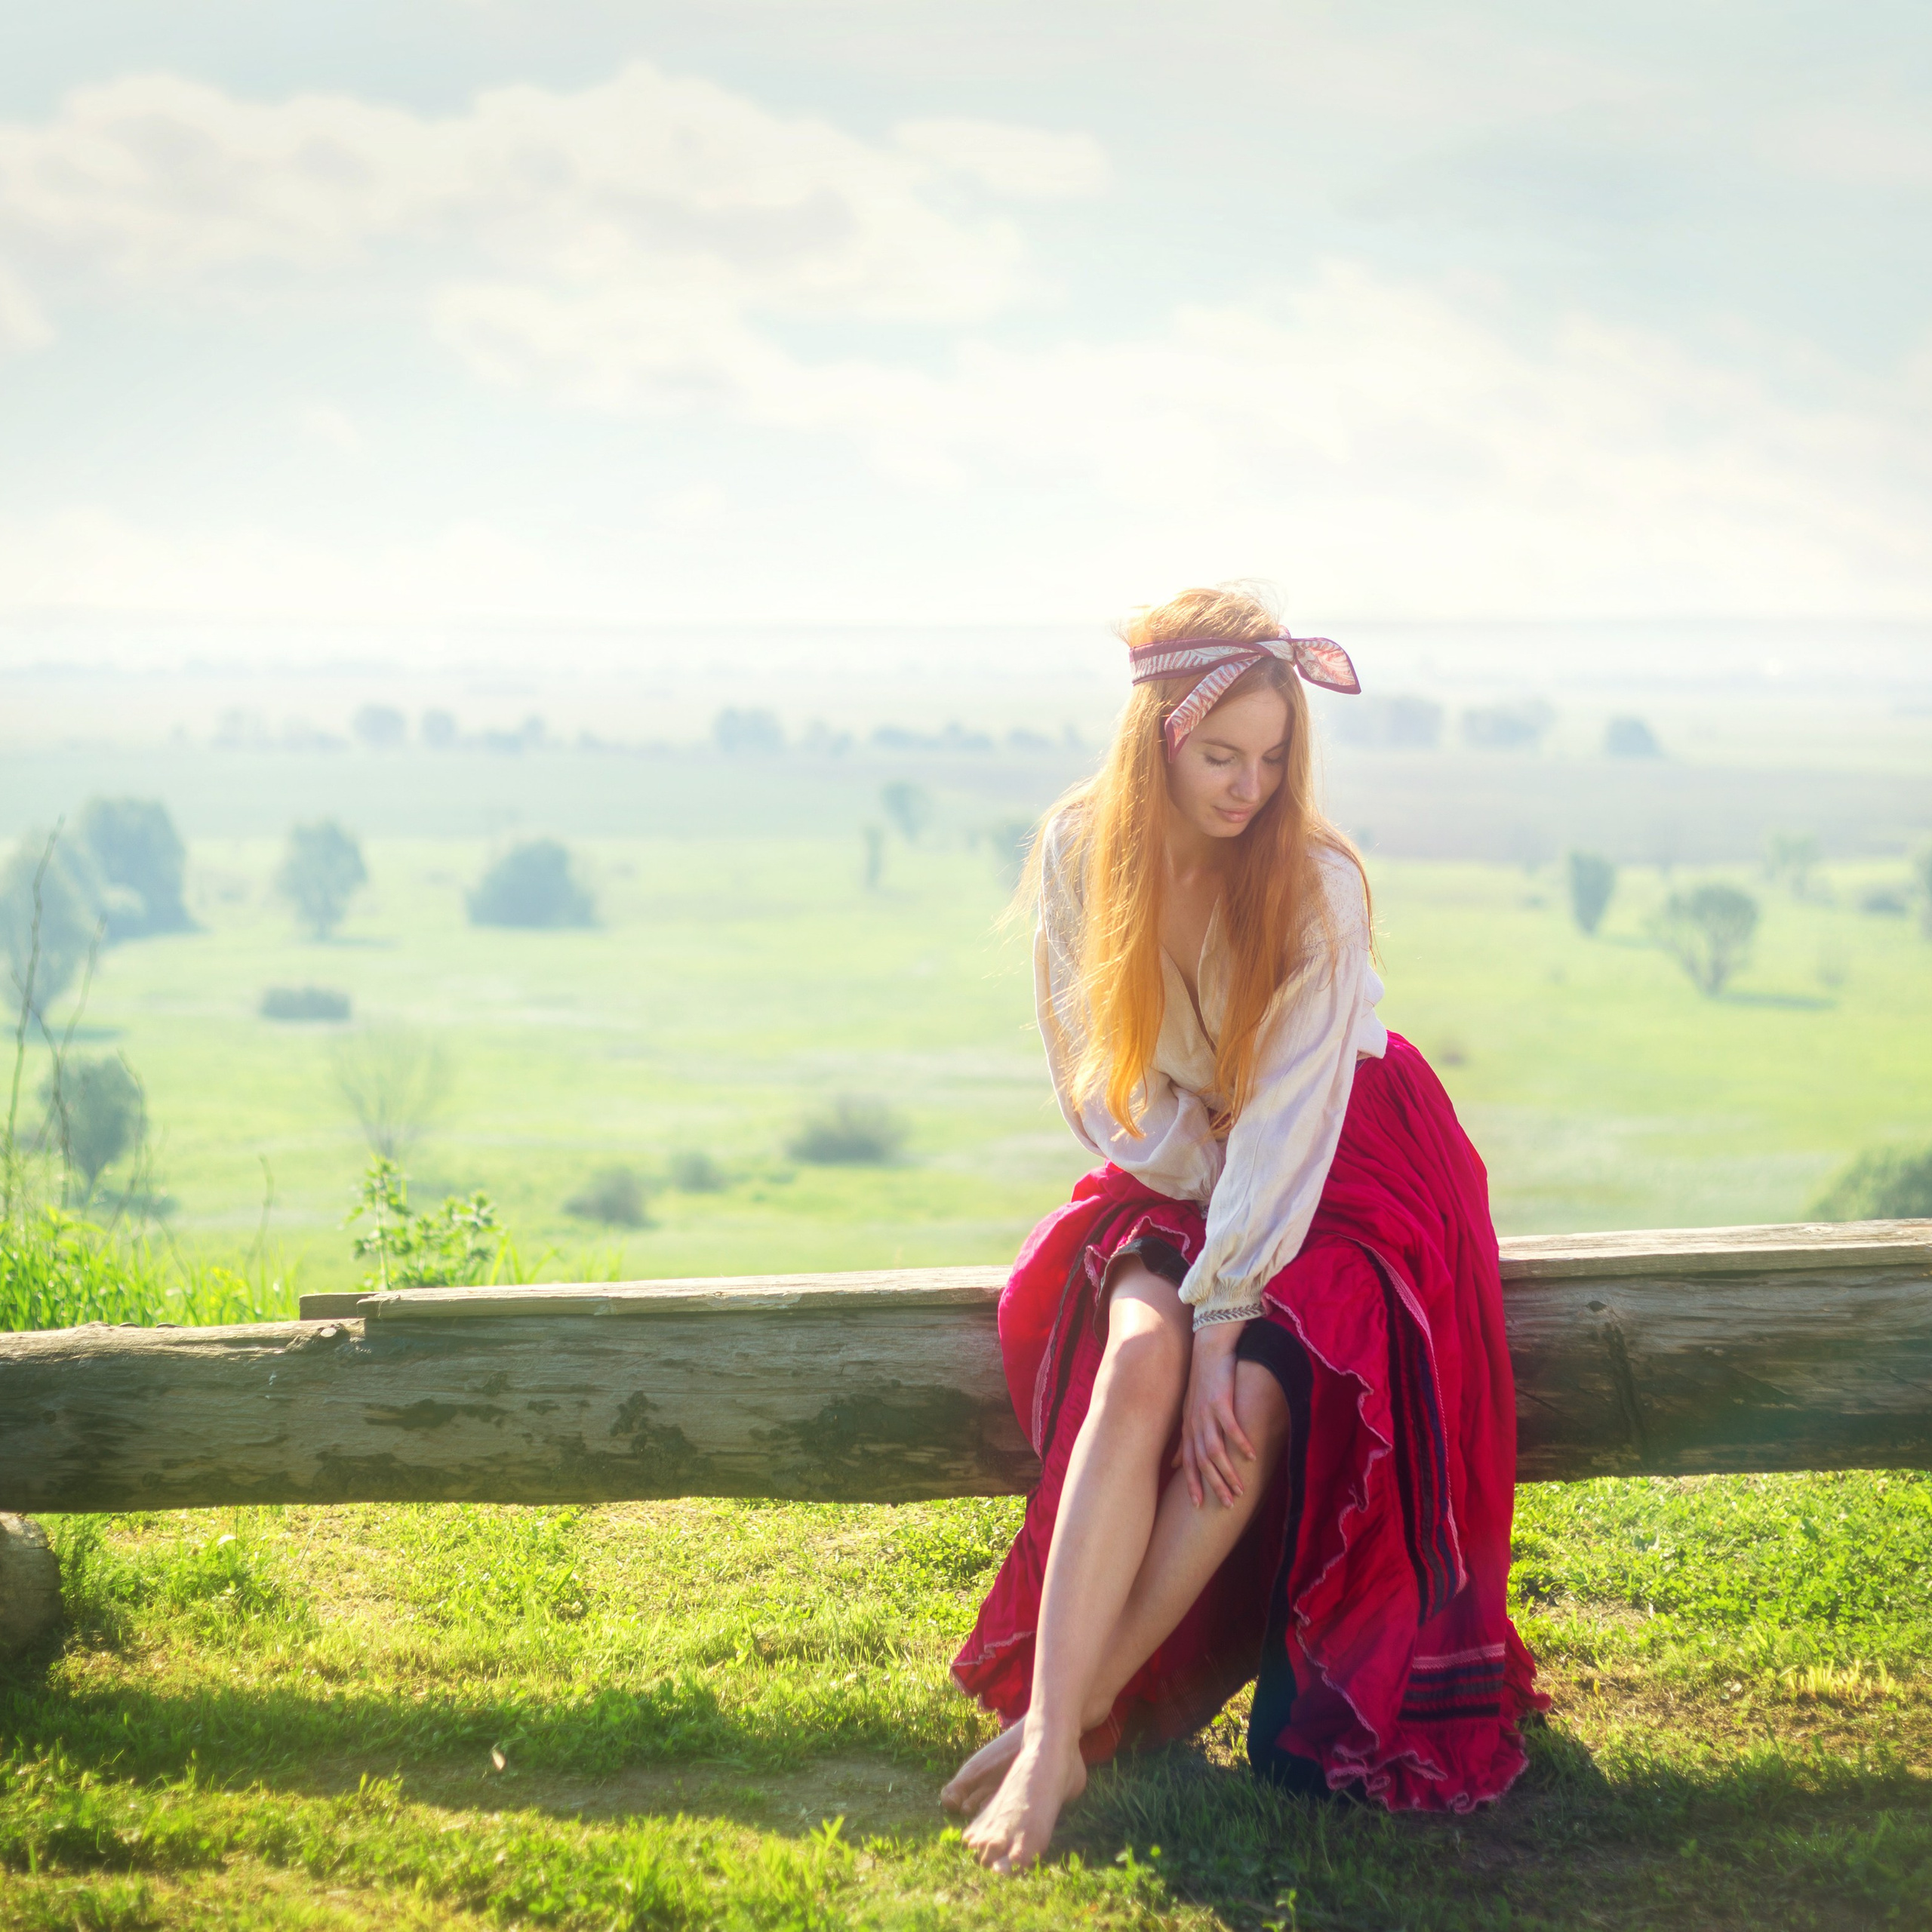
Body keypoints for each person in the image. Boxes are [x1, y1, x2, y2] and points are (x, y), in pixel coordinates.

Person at [944, 585, 1545, 1873]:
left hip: (1345, 1153)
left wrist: (1231, 1314)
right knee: (1140, 1358)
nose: (1248, 787)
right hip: (1177, 1151)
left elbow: (1286, 1126)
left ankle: (1070, 1723)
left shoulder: (1320, 881)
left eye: (1274, 761)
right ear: (1156, 734)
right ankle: (1067, 1723)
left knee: (1252, 1400)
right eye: (1223, 755)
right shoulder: (1076, 850)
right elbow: (1099, 1077)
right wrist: (1195, 1291)